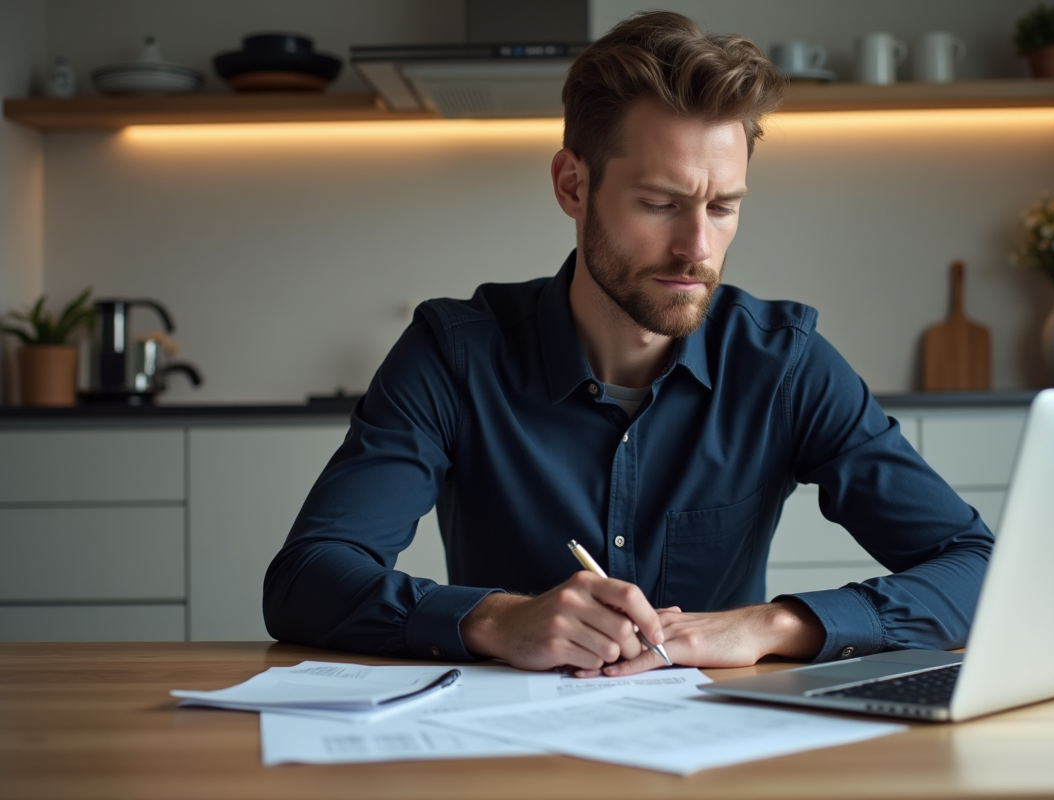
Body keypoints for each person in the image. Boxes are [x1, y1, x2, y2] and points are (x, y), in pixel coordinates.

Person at [264, 11, 993, 678]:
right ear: (572, 186)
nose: (696, 247)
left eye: (723, 207)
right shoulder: (453, 355)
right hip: (505, 745)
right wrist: (495, 620)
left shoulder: (783, 363)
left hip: (719, 745)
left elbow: (979, 566)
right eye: (659, 203)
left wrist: (774, 624)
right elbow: (306, 578)